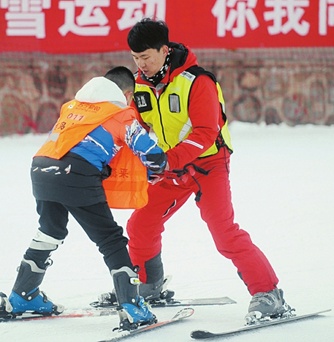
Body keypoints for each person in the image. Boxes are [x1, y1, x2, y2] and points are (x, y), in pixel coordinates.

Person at [102, 18, 291, 324]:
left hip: (208, 164)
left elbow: (204, 134)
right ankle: (149, 286)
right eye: (135, 59)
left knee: (224, 233)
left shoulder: (197, 81)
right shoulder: (139, 86)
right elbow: (137, 128)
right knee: (141, 223)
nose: (141, 65)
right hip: (172, 167)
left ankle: (268, 294)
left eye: (146, 57)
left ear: (164, 50)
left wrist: (167, 160)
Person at [0, 66, 166, 330]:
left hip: (40, 168)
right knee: (110, 239)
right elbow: (153, 154)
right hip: (75, 173)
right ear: (127, 95)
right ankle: (132, 307)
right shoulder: (121, 114)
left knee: (50, 231)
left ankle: (22, 296)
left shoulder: (73, 106)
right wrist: (155, 172)